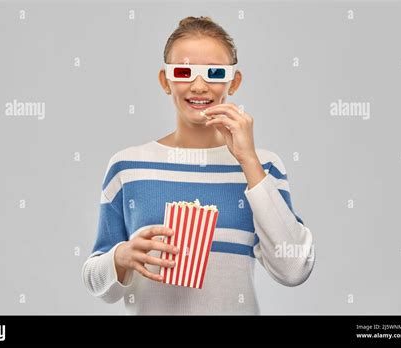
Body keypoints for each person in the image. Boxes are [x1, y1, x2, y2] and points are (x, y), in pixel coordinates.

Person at [82, 16, 315, 315]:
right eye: (183, 72)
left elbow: (294, 269)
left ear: (235, 81)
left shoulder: (264, 167)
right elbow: (95, 280)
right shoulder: (128, 167)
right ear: (165, 81)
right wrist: (121, 257)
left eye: (214, 72)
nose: (199, 85)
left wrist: (248, 161)